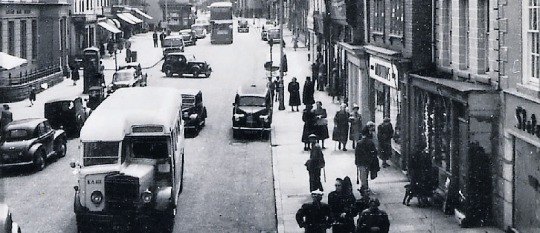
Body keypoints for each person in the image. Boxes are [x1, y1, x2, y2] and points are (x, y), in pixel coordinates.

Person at [355, 128, 377, 192]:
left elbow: (357, 153)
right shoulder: (370, 142)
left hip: (361, 161)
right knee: (366, 174)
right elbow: (374, 152)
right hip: (368, 161)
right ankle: (365, 186)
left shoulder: (359, 143)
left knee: (362, 174)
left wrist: (356, 162)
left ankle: (364, 187)